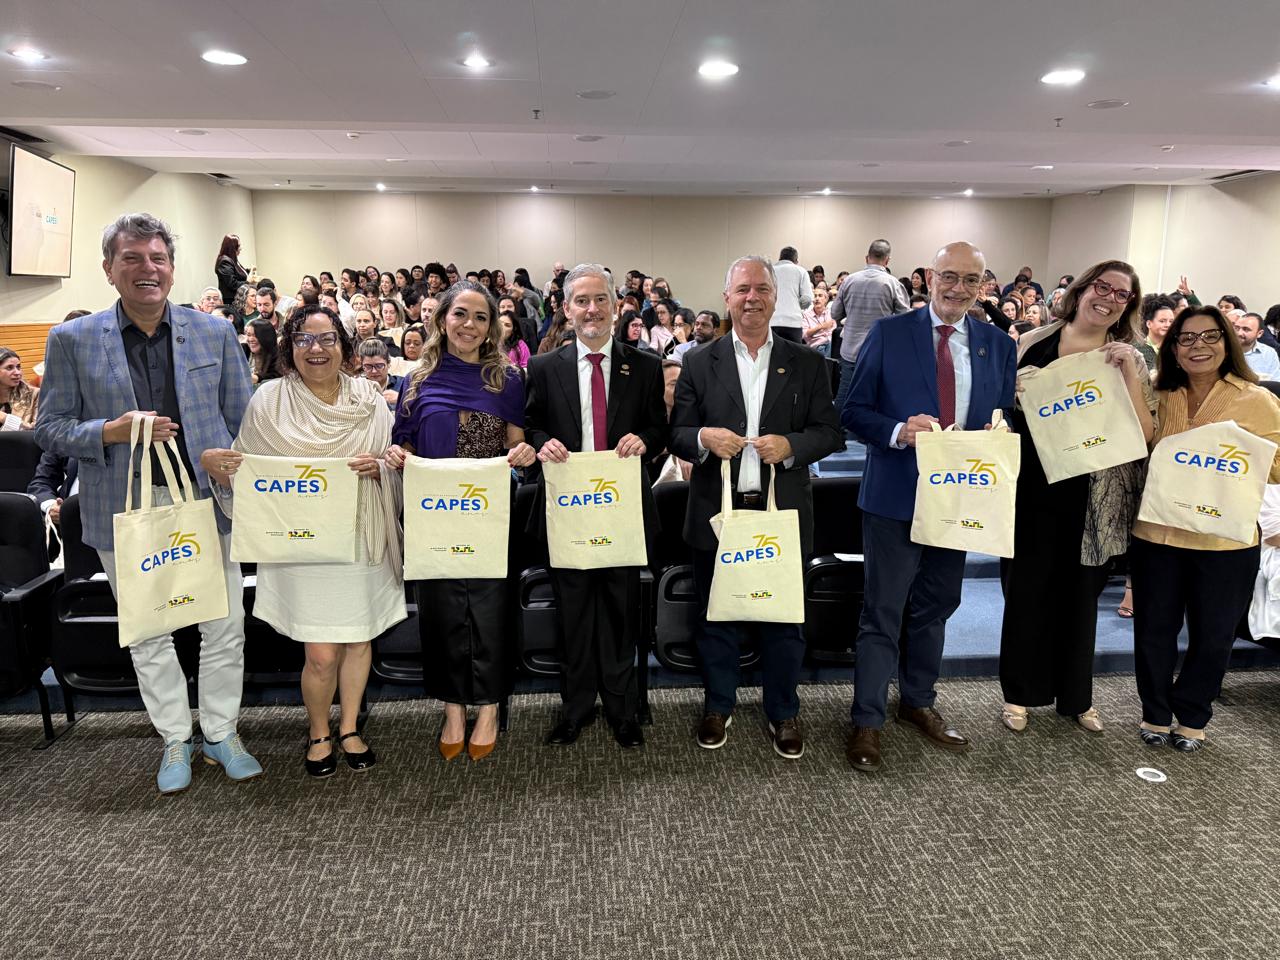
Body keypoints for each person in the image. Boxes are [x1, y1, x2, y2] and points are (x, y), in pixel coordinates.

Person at [35, 212, 260, 793]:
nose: (147, 269)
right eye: (132, 258)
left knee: (224, 623)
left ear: (172, 269)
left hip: (206, 499)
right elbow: (50, 427)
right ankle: (175, 738)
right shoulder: (72, 340)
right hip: (124, 507)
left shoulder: (212, 333)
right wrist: (109, 431)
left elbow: (245, 419)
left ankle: (221, 731)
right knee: (148, 631)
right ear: (109, 269)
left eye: (157, 258)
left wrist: (228, 456)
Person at [206, 305, 406, 778]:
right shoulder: (270, 401)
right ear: (289, 348)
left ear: (344, 345)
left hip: (360, 534)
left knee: (358, 641)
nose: (316, 349)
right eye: (304, 340)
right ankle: (319, 732)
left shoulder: (368, 398)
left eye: (327, 339)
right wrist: (222, 469)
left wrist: (380, 466)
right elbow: (249, 472)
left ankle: (350, 728)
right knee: (320, 653)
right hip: (300, 542)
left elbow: (393, 460)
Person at [841, 241, 1017, 773]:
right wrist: (899, 430)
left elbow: (1004, 414)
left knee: (937, 605)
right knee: (883, 611)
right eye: (949, 276)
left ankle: (918, 701)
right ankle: (867, 718)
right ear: (928, 277)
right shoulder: (889, 334)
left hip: (959, 499)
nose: (958, 288)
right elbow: (851, 410)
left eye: (971, 279)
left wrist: (998, 431)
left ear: (983, 285)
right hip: (895, 496)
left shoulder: (997, 344)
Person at [669, 254, 843, 758]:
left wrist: (791, 446)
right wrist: (703, 437)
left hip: (780, 514)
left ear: (775, 297)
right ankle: (717, 705)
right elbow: (677, 433)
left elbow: (830, 432)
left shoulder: (807, 362)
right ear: (727, 297)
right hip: (717, 513)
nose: (752, 298)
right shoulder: (698, 361)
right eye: (742, 289)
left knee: (783, 620)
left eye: (762, 289)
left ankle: (783, 711)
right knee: (716, 617)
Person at [998, 262, 1155, 736]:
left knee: (1082, 598)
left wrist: (1128, 375)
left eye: (1122, 294)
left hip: (1095, 495)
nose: (1109, 298)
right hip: (1032, 488)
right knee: (1026, 592)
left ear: (1129, 305)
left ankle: (1077, 697)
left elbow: (1146, 433)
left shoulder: (1130, 357)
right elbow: (1003, 412)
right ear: (1082, 290)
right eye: (1102, 287)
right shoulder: (1033, 342)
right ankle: (1018, 694)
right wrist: (1011, 395)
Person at [524, 263, 668, 749]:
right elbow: (531, 426)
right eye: (581, 301)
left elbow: (660, 429)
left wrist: (645, 440)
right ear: (566, 310)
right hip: (569, 512)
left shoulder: (644, 366)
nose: (592, 309)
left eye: (600, 299)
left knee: (619, 616)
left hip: (621, 511)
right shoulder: (544, 368)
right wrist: (542, 444)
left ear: (615, 306)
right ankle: (576, 710)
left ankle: (622, 711)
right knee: (574, 616)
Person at [391, 281, 535, 761]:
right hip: (435, 515)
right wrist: (397, 453)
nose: (469, 325)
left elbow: (516, 442)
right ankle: (453, 708)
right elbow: (405, 443)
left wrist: (523, 452)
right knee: (443, 613)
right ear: (442, 319)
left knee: (491, 612)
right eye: (460, 314)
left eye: (480, 317)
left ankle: (489, 707)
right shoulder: (416, 380)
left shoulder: (508, 378)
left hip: (489, 514)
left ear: (492, 326)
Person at [1131, 306, 1280, 751]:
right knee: (1153, 629)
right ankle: (1156, 712)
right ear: (1173, 348)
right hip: (1157, 533)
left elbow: (1277, 468)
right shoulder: (1159, 392)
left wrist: (1239, 453)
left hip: (1226, 540)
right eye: (1187, 338)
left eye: (1210, 336)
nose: (1198, 346)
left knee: (1214, 635)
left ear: (1227, 342)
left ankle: (1194, 714)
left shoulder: (1256, 399)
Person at [831, 239, 911, 414]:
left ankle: (835, 429)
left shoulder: (849, 281)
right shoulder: (893, 284)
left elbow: (835, 314)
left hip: (850, 351)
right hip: (878, 352)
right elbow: (906, 320)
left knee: (844, 395)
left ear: (867, 257)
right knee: (874, 399)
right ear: (887, 260)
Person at [770, 246, 814, 343]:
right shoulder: (801, 271)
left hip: (771, 322)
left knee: (772, 352)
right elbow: (807, 299)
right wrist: (796, 306)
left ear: (780, 258)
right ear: (796, 260)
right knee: (794, 352)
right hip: (793, 323)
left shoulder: (769, 271)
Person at [1232, 311, 1280, 381]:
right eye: (1237, 328)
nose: (1239, 333)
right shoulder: (1224, 350)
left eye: (1246, 329)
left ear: (1259, 333)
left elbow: (1276, 382)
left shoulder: (1269, 353)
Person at [0, 347, 39, 430]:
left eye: (18, 367)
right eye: (9, 368)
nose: (17, 372)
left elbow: (38, 430)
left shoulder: (34, 394)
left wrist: (4, 418)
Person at [1137, 294, 1177, 371]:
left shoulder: (1176, 348)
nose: (1168, 325)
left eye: (1171, 321)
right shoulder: (1137, 349)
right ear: (1149, 323)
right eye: (1162, 321)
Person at [244, 318, 281, 388]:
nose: (251, 339)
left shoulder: (279, 358)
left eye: (256, 335)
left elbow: (275, 377)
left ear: (267, 338)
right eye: (248, 335)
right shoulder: (244, 350)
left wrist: (257, 378)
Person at [801, 285, 836, 356]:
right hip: (817, 346)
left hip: (831, 344)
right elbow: (804, 335)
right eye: (815, 296)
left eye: (820, 296)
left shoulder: (831, 312)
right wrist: (821, 326)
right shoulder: (806, 315)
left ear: (826, 299)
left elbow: (833, 329)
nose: (817, 298)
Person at [214, 234, 248, 304]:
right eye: (238, 246)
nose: (240, 248)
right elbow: (232, 284)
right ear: (232, 247)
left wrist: (249, 271)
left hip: (238, 299)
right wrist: (248, 282)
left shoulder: (232, 260)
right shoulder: (225, 261)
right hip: (231, 301)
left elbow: (238, 272)